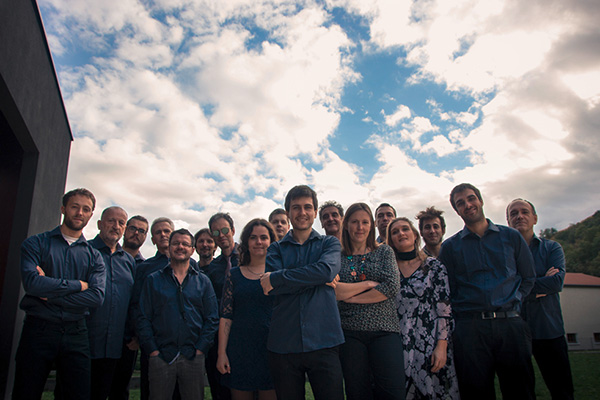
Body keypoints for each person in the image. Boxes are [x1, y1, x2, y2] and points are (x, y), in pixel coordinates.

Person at [439, 183, 536, 400]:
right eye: (460, 203)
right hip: (470, 329)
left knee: (521, 391)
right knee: (475, 393)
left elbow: (528, 277)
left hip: (510, 325)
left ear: (481, 201)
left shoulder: (511, 237)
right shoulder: (450, 247)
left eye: (471, 198)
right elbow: (446, 289)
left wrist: (514, 300)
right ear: (456, 210)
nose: (468, 205)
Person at [13, 188, 105, 399]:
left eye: (86, 209)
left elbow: (96, 297)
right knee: (26, 391)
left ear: (91, 215)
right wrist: (78, 285)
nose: (79, 213)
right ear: (64, 209)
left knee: (77, 394)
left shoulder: (94, 257)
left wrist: (50, 293)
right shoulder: (36, 243)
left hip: (77, 332)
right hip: (39, 329)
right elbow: (33, 284)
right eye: (75, 207)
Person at [261, 185, 344, 400]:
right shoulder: (275, 249)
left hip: (324, 340)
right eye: (296, 207)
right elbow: (272, 289)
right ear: (288, 212)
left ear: (315, 212)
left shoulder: (330, 243)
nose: (302, 212)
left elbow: (325, 271)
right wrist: (315, 277)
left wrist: (278, 277)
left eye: (308, 207)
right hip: (283, 343)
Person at [137, 229, 219, 400]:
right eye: (175, 243)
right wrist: (152, 350)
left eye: (185, 244)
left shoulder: (203, 281)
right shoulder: (153, 280)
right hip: (161, 355)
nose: (180, 247)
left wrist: (200, 349)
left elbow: (212, 318)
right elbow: (143, 317)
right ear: (169, 247)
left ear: (192, 249)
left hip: (193, 356)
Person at [333, 203, 404, 400]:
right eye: (354, 222)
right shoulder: (337, 256)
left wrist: (352, 297)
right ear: (346, 225)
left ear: (371, 225)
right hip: (350, 333)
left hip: (384, 331)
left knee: (393, 392)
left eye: (365, 222)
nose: (360, 227)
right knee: (358, 393)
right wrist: (369, 284)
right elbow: (334, 292)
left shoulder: (384, 252)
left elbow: (390, 287)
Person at [507, 198, 574, 400]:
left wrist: (521, 286)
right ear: (508, 221)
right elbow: (503, 287)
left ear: (534, 218)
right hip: (515, 331)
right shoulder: (505, 254)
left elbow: (556, 283)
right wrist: (539, 283)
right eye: (514, 213)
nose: (519, 216)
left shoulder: (552, 248)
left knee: (561, 390)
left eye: (525, 212)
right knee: (521, 392)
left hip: (549, 328)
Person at [387, 217, 459, 399]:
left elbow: (444, 310)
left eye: (405, 229)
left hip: (431, 342)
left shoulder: (433, 266)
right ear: (391, 240)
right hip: (398, 343)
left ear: (414, 235)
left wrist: (441, 346)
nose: (401, 233)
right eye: (395, 232)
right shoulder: (388, 270)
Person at [217, 219, 277, 400]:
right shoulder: (234, 275)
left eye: (264, 238)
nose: (259, 242)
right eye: (253, 237)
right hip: (240, 351)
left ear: (271, 242)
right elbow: (226, 317)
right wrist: (221, 354)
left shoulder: (281, 273)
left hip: (272, 350)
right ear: (246, 242)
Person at [87, 206, 136, 400]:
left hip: (117, 346)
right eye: (111, 221)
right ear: (100, 224)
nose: (116, 226)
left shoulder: (128, 262)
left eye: (121, 223)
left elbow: (132, 301)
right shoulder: (85, 251)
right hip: (85, 343)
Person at [132, 217, 176, 400]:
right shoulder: (145, 268)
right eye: (158, 232)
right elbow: (136, 305)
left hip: (183, 345)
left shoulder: (191, 266)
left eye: (167, 231)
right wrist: (141, 339)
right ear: (153, 239)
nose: (163, 235)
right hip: (153, 344)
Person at [112, 215, 149, 400]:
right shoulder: (109, 256)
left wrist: (138, 337)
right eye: (133, 228)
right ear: (125, 230)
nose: (136, 233)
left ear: (146, 237)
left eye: (142, 231)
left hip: (130, 340)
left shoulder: (146, 267)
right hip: (104, 333)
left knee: (121, 389)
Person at [204, 212, 239, 400]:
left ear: (233, 230)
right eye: (216, 232)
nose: (221, 235)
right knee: (221, 388)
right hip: (220, 334)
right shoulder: (213, 267)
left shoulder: (249, 257)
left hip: (244, 331)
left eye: (225, 230)